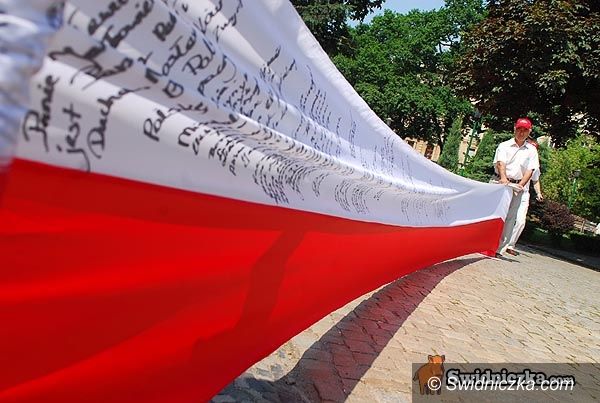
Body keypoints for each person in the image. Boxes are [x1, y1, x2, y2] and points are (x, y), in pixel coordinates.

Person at [493, 117, 540, 257]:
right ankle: (484, 243)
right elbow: (501, 162)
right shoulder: (504, 145)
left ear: (529, 132)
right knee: (494, 213)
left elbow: (531, 170)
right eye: (519, 129)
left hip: (517, 185)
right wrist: (503, 178)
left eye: (525, 130)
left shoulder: (531, 150)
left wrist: (520, 185)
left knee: (510, 218)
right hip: (500, 182)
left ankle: (499, 249)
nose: (521, 132)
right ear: (515, 128)